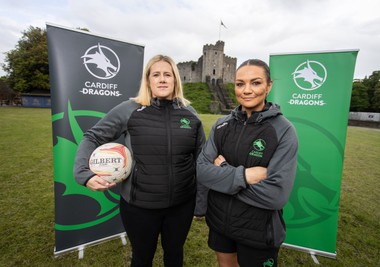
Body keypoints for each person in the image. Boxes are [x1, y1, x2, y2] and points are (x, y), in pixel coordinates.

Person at [74, 54, 205, 267]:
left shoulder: (190, 114)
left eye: (167, 74)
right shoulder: (130, 109)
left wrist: (201, 200)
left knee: (175, 254)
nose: (162, 79)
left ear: (175, 80)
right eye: (156, 75)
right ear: (148, 80)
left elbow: (201, 158)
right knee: (142, 258)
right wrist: (83, 173)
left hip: (181, 205)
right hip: (139, 207)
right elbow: (93, 136)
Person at [196, 59, 298, 267]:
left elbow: (276, 195)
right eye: (240, 84)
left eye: (256, 83)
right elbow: (202, 171)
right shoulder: (221, 124)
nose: (247, 90)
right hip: (220, 222)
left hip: (258, 230)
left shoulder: (284, 130)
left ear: (269, 86)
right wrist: (245, 176)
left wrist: (223, 175)